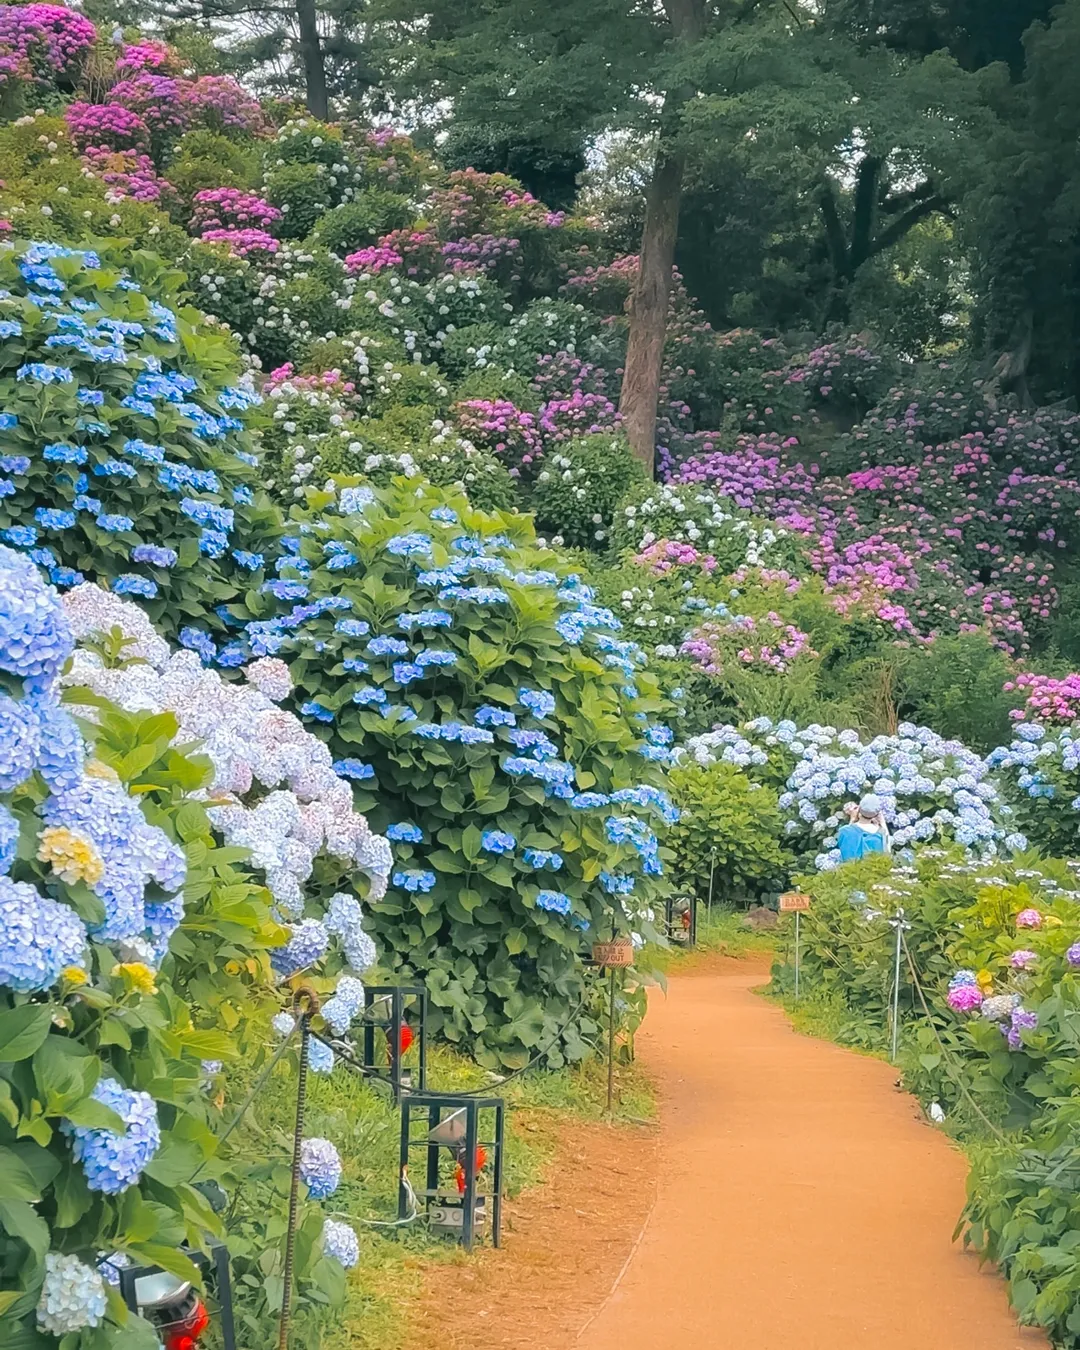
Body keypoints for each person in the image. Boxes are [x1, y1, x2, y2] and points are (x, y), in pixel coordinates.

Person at [836, 794, 891, 862]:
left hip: (851, 871)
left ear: (859, 809)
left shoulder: (845, 831)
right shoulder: (881, 834)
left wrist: (852, 819)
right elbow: (887, 852)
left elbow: (846, 846)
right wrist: (883, 823)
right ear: (877, 814)